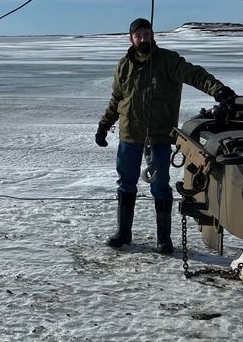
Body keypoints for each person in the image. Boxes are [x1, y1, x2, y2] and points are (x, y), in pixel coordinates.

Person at [95, 18, 235, 254]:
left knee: (160, 187)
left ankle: (164, 239)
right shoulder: (124, 65)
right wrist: (104, 125)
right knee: (126, 183)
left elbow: (194, 74)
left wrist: (217, 89)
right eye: (138, 35)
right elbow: (117, 99)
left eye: (147, 34)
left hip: (158, 137)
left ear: (153, 36)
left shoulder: (167, 60)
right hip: (129, 135)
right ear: (131, 39)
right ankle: (123, 233)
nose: (143, 39)